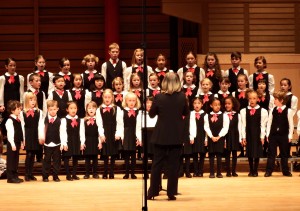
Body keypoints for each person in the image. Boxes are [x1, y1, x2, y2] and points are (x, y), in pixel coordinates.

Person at [147, 72, 189, 201]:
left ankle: (153, 192)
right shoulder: (182, 97)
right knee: (173, 165)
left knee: (157, 164)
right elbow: (185, 112)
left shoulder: (159, 97)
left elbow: (151, 114)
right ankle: (171, 192)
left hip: (161, 135)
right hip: (176, 136)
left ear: (164, 82)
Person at [265, 91, 293, 177]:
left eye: (275, 99)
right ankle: (269, 171)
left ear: (281, 100)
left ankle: (285, 171)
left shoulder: (288, 111)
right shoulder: (273, 110)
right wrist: (268, 134)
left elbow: (291, 124)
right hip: (273, 135)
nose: (274, 101)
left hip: (284, 135)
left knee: (284, 153)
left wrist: (290, 136)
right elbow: (269, 123)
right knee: (271, 153)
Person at [240, 90, 268, 177]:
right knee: (249, 151)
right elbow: (243, 125)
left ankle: (255, 170)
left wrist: (262, 136)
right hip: (248, 133)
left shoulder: (263, 111)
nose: (252, 100)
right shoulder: (243, 111)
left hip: (257, 133)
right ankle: (251, 169)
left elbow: (263, 125)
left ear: (257, 99)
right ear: (248, 99)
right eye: (250, 98)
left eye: (254, 98)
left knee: (256, 152)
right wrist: (243, 137)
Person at [97, 90, 123, 179]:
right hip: (105, 133)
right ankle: (104, 172)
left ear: (112, 98)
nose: (107, 99)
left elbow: (120, 123)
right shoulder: (99, 109)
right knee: (105, 154)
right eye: (105, 97)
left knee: (112, 154)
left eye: (109, 97)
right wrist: (101, 134)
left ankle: (111, 172)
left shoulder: (117, 108)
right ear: (103, 98)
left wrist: (118, 133)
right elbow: (99, 123)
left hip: (113, 132)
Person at [204, 98, 229, 178]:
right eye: (215, 105)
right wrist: (211, 136)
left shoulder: (224, 115)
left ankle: (219, 172)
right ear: (211, 105)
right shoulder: (207, 116)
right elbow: (206, 127)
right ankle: (211, 172)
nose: (217, 106)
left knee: (219, 155)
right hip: (211, 137)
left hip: (220, 137)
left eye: (219, 105)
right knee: (211, 155)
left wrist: (219, 136)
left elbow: (225, 127)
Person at [21, 92, 44, 181]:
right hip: (27, 134)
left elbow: (40, 125)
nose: (33, 101)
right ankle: (26, 174)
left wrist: (40, 136)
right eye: (31, 100)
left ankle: (31, 173)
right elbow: (22, 126)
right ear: (27, 101)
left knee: (33, 154)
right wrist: (23, 139)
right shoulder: (23, 112)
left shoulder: (39, 112)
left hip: (35, 134)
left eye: (34, 99)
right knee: (29, 154)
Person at [0, 58, 25, 139]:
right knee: (7, 120)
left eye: (14, 65)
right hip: (7, 103)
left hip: (16, 102)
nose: (13, 67)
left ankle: (17, 139)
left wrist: (21, 103)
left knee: (17, 120)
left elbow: (21, 91)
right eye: (10, 65)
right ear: (6, 66)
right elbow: (1, 92)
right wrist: (1, 104)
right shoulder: (2, 78)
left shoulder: (20, 77)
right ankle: (6, 139)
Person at [121, 92, 142, 179]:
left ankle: (133, 173)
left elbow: (139, 125)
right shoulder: (122, 111)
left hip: (134, 132)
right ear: (126, 101)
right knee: (126, 154)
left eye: (133, 100)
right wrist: (122, 136)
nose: (132, 102)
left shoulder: (139, 112)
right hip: (126, 133)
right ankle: (126, 173)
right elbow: (121, 124)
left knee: (133, 154)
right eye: (130, 100)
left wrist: (139, 137)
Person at [81, 101, 103, 179]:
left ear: (96, 110)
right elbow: (82, 132)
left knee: (95, 158)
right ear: (86, 109)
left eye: (93, 108)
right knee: (87, 158)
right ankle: (87, 173)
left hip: (95, 140)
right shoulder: (83, 120)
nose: (91, 109)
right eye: (89, 108)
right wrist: (82, 143)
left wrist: (100, 142)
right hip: (87, 140)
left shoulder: (98, 120)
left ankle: (95, 173)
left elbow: (100, 132)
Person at [60, 101, 81, 181]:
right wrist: (64, 143)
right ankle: (68, 175)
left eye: (75, 108)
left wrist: (81, 142)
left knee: (75, 157)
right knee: (67, 158)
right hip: (68, 141)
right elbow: (63, 132)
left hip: (76, 140)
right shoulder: (64, 120)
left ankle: (74, 174)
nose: (73, 110)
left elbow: (81, 132)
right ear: (67, 109)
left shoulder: (79, 120)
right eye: (71, 108)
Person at [42, 100, 62, 182]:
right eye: (50, 110)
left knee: (57, 160)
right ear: (47, 110)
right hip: (47, 144)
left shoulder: (60, 120)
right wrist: (42, 139)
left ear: (57, 109)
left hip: (57, 143)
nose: (52, 111)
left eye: (54, 109)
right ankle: (45, 176)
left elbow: (62, 132)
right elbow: (42, 130)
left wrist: (62, 143)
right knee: (47, 160)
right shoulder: (44, 120)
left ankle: (55, 175)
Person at [5, 100, 24, 183]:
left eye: (20, 109)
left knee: (16, 159)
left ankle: (15, 175)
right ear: (12, 110)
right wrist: (12, 144)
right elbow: (10, 133)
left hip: (17, 142)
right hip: (12, 143)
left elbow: (20, 131)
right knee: (11, 160)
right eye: (17, 109)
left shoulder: (18, 119)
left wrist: (22, 142)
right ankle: (10, 177)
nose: (19, 110)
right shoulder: (10, 120)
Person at [223, 96, 241, 177]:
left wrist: (240, 138)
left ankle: (234, 171)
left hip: (235, 135)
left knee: (234, 154)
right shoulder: (223, 115)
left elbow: (239, 127)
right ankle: (228, 171)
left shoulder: (237, 115)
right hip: (226, 136)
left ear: (233, 105)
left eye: (229, 104)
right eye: (226, 104)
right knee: (227, 154)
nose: (227, 105)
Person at [189, 97, 207, 177]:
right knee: (195, 154)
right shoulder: (191, 114)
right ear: (193, 105)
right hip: (194, 136)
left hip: (202, 135)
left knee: (202, 154)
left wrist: (206, 139)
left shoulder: (205, 114)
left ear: (202, 105)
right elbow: (189, 126)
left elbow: (207, 127)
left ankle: (201, 171)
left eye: (199, 103)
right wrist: (191, 137)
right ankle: (195, 171)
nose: (197, 105)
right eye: (195, 103)